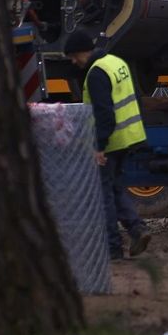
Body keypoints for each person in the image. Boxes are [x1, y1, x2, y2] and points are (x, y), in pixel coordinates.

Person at [64, 28, 150, 261]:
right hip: (130, 136)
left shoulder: (96, 74)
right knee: (115, 188)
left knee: (104, 196)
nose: (74, 62)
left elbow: (105, 116)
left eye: (73, 56)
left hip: (111, 141)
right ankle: (137, 229)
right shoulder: (115, 62)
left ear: (83, 51)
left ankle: (113, 249)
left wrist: (99, 147)